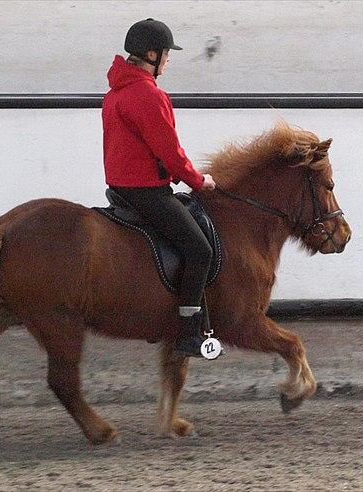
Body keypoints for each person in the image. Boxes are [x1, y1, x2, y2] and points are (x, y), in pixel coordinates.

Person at [102, 18, 217, 358]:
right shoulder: (149, 95)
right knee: (200, 251)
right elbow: (169, 150)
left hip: (120, 191)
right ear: (152, 55)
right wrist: (199, 180)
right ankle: (187, 334)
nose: (168, 60)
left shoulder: (114, 93)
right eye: (166, 54)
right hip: (148, 193)